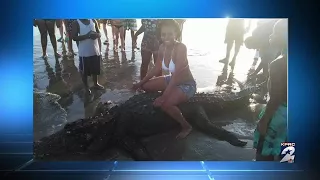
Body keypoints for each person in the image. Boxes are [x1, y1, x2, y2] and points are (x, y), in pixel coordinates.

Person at [132, 19, 197, 139]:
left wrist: (164, 96)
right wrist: (140, 83)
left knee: (165, 104)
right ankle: (170, 95)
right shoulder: (162, 47)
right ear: (160, 35)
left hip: (186, 84)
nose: (167, 37)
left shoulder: (181, 48)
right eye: (163, 34)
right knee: (145, 86)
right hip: (172, 79)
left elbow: (177, 75)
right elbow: (156, 68)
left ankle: (186, 126)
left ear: (176, 34)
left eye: (170, 34)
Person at [253, 19, 288, 161]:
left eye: (275, 33)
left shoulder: (278, 63)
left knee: (263, 152)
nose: (271, 36)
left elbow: (275, 98)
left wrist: (264, 119)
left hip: (277, 115)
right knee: (287, 155)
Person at [72, 19, 104, 95]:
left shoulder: (93, 20)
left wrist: (97, 35)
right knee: (84, 72)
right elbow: (74, 37)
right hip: (84, 52)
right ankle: (86, 87)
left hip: (95, 50)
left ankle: (96, 83)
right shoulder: (76, 22)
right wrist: (87, 36)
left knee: (95, 69)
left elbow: (99, 33)